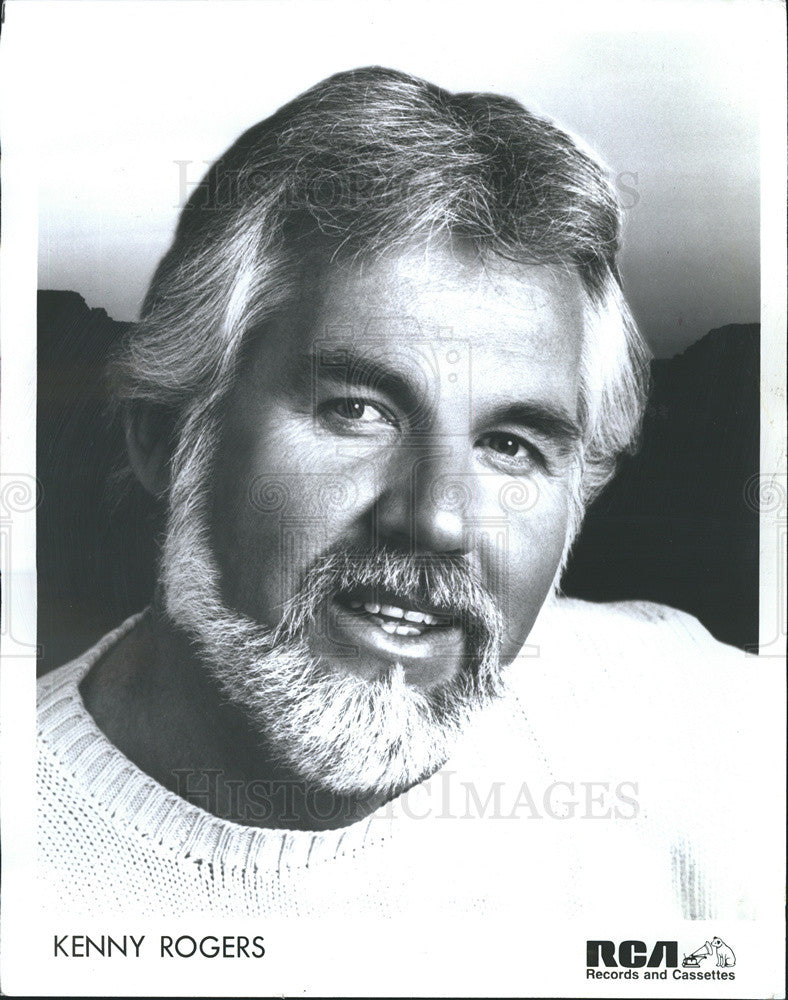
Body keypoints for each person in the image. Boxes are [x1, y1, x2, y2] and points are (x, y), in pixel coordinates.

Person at [37, 66, 771, 921]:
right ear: (164, 437)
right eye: (357, 410)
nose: (435, 518)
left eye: (510, 444)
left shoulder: (683, 718)